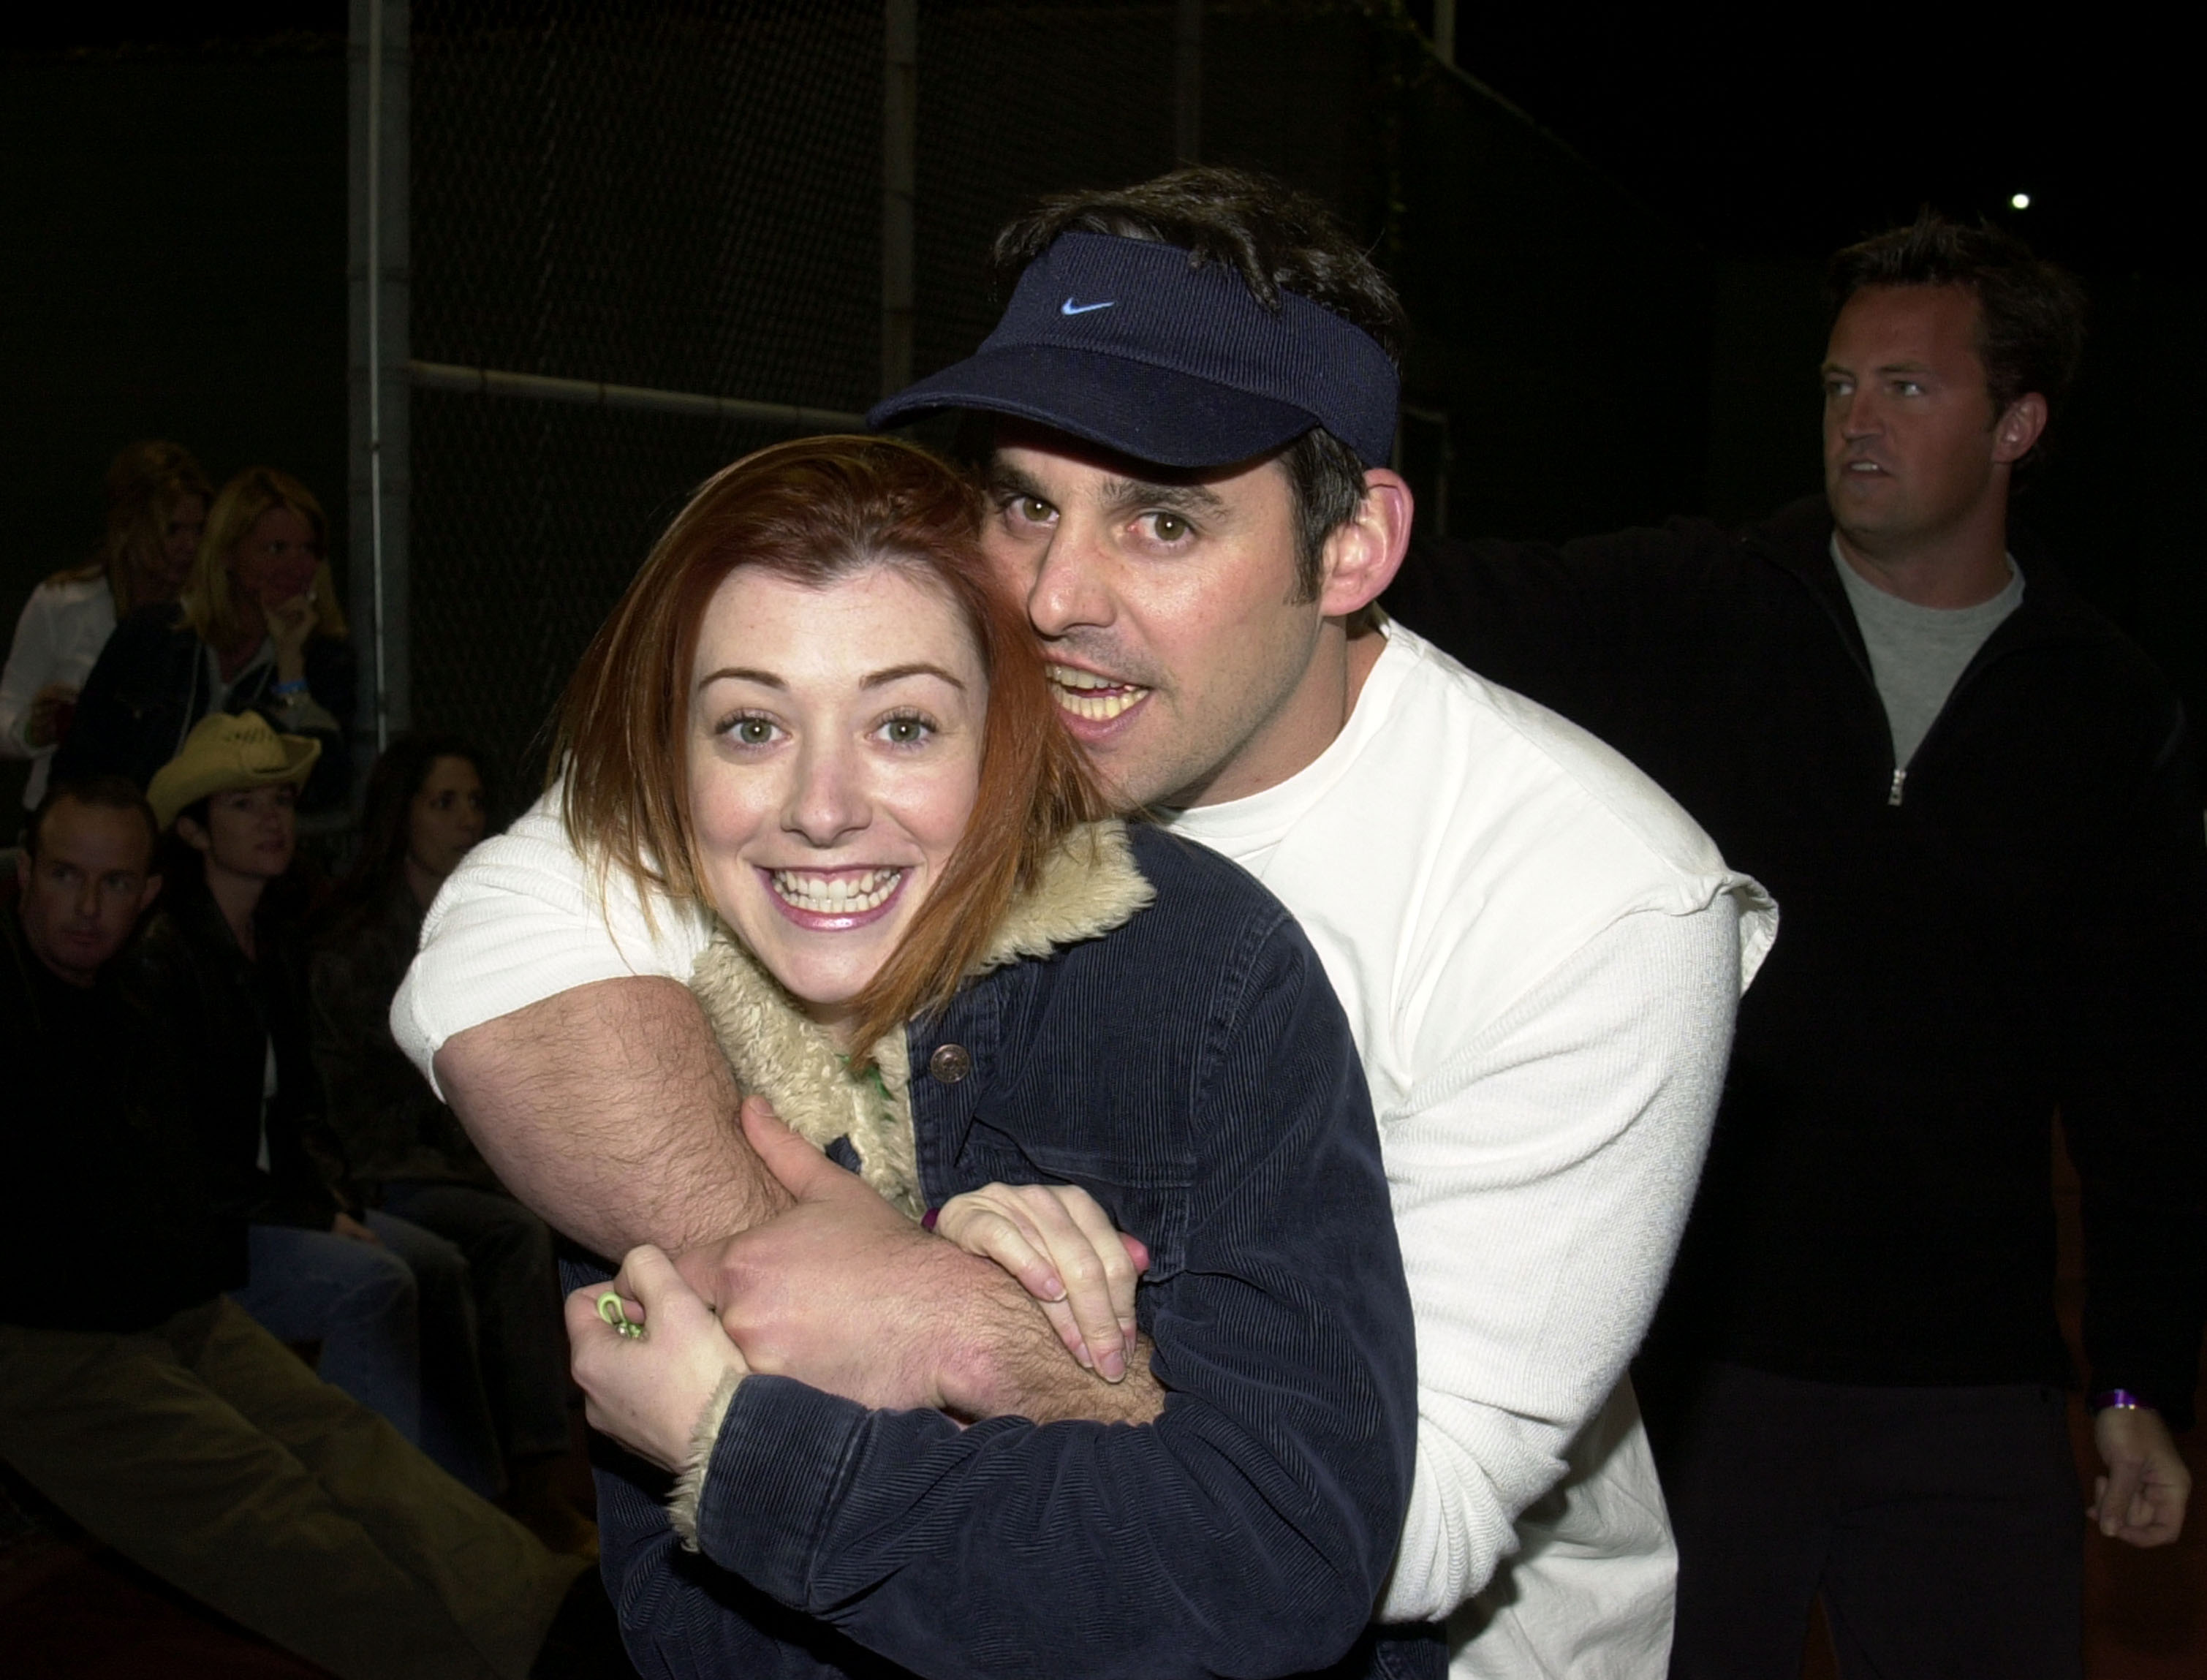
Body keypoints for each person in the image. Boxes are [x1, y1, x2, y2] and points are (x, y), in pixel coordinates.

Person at [397, 170, 1776, 1678]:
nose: (1054, 595)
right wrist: (800, 1255)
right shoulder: (930, 722)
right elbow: (510, 944)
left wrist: (966, 1335)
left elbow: (1408, 1519)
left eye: (1164, 523)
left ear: (1354, 548)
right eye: (1023, 501)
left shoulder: (1593, 897)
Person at [1379, 213, 2207, 1678]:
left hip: (1972, 1391)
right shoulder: (1698, 606)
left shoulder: (2105, 705)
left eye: (1907, 388)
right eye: (1837, 387)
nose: (1856, 423)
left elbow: (2141, 1075)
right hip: (1699, 1385)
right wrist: (1248, 507)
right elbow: (1444, 597)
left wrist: (2138, 1376)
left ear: (2018, 423)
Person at [556, 433, 1422, 1678]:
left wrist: (764, 1433)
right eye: (749, 726)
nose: (821, 804)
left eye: (902, 723)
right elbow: (691, 1628)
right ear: (669, 760)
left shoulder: (1199, 968)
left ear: (1000, 738)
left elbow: (1274, 1561)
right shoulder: (641, 1034)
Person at [0, 776, 594, 1680]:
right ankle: (468, 1665)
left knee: (344, 1440)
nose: (86, 907)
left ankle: (548, 1610)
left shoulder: (131, 996)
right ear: (23, 876)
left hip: (168, 1303)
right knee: (261, 1503)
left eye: (115, 883)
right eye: (64, 877)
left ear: (148, 890)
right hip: (47, 1336)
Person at [135, 711, 506, 1496]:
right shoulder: (168, 957)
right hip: (211, 1233)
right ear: (196, 833)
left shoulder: (268, 942)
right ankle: (375, 1512)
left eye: (280, 801)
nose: (273, 820)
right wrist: (314, 1215)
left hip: (277, 1207)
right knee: (375, 1283)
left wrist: (331, 1201)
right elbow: (185, 1153)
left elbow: (302, 1112)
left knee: (434, 1263)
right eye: (242, 804)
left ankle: (471, 1504)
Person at [311, 733, 589, 1551]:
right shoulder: (354, 940)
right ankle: (526, 1481)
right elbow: (357, 1103)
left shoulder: (492, 921)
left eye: (474, 802)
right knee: (509, 1229)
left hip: (473, 1157)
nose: (467, 819)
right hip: (386, 1171)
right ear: (401, 817)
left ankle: (575, 1449)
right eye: (444, 803)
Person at [56, 464, 353, 813]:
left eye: (309, 550)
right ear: (227, 554)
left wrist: (291, 667)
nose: (297, 566)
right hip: (139, 850)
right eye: (277, 549)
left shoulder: (325, 658)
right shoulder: (153, 636)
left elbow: (321, 789)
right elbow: (79, 764)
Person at [0, 440, 210, 814]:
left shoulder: (206, 616)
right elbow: (5, 717)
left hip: (167, 826)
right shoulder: (62, 602)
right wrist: (35, 730)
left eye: (199, 530)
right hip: (64, 820)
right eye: (173, 529)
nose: (189, 546)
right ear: (128, 524)